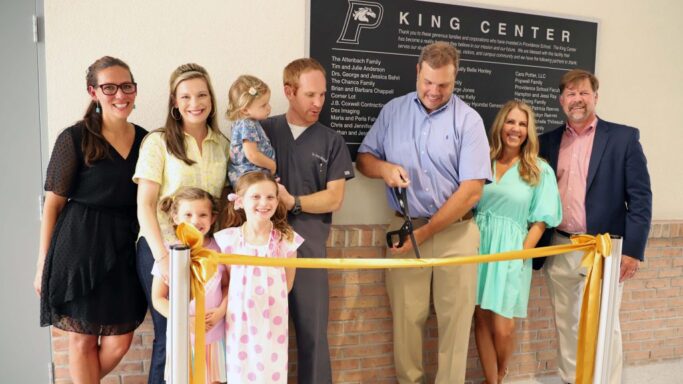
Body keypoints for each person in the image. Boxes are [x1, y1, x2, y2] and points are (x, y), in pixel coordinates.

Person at [356, 41, 491, 384]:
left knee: (455, 323)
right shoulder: (392, 111)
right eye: (428, 82)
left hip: (457, 234)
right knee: (406, 319)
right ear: (418, 71)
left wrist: (428, 231)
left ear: (455, 78)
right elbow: (363, 159)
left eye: (443, 85)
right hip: (404, 230)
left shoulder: (470, 121)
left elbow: (472, 190)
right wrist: (384, 168)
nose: (434, 91)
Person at [533, 69, 652, 384]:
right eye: (571, 94)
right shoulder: (547, 143)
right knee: (566, 322)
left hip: (604, 248)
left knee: (604, 324)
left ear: (595, 97)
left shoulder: (623, 138)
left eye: (584, 92)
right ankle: (573, 379)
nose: (577, 99)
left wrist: (634, 251)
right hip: (560, 245)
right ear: (561, 101)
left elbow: (640, 197)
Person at [34, 56, 147, 384]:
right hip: (78, 245)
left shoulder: (145, 140)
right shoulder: (74, 137)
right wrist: (43, 262)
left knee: (120, 340)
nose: (120, 94)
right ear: (93, 92)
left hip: (123, 247)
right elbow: (53, 204)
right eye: (109, 87)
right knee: (81, 338)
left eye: (127, 86)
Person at [133, 63, 230, 384]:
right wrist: (162, 256)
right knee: (170, 334)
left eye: (202, 95)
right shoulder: (158, 142)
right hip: (163, 247)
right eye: (185, 96)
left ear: (211, 99)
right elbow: (145, 204)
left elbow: (228, 201)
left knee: (205, 336)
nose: (194, 103)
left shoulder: (223, 144)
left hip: (204, 252)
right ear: (174, 102)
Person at [260, 57, 354, 384]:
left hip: (310, 249)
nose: (318, 103)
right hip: (261, 249)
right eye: (310, 95)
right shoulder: (263, 130)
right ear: (289, 91)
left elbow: (334, 198)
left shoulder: (331, 141)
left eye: (323, 96)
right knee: (262, 335)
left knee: (313, 334)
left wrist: (293, 202)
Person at [473, 101, 562, 384]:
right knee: (482, 317)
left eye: (522, 124)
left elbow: (541, 220)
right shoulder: (481, 159)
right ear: (501, 125)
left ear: (529, 131)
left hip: (513, 248)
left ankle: (501, 373)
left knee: (504, 326)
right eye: (511, 122)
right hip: (478, 244)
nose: (516, 129)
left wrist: (521, 254)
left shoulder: (538, 170)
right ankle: (492, 381)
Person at [214, 172, 303, 384]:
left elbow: (287, 283)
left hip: (272, 319)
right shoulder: (228, 240)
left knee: (270, 372)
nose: (264, 203)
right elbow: (226, 281)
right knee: (240, 371)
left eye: (270, 197)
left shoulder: (286, 241)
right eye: (256, 197)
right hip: (239, 320)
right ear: (240, 201)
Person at [150, 187, 227, 384]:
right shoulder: (168, 254)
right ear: (175, 217)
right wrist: (184, 319)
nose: (195, 220)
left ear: (212, 218)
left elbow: (227, 286)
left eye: (203, 214)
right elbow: (158, 298)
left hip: (214, 334)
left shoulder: (220, 248)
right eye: (188, 214)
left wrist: (221, 311)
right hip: (182, 336)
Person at [226, 75, 276, 186]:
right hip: (252, 177)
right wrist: (272, 165)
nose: (269, 108)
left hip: (249, 177)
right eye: (263, 105)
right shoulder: (247, 124)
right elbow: (252, 155)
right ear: (245, 110)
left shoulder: (241, 123)